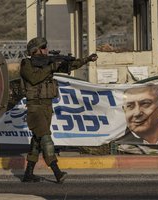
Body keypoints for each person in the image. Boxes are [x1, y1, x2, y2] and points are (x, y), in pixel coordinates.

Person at [20, 37, 98, 183]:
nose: (46, 50)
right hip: (35, 107)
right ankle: (56, 172)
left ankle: (28, 173)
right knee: (45, 137)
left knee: (37, 140)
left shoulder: (49, 62)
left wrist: (87, 59)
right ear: (34, 50)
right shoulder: (26, 63)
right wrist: (51, 67)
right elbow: (33, 78)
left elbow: (71, 65)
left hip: (47, 106)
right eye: (43, 47)